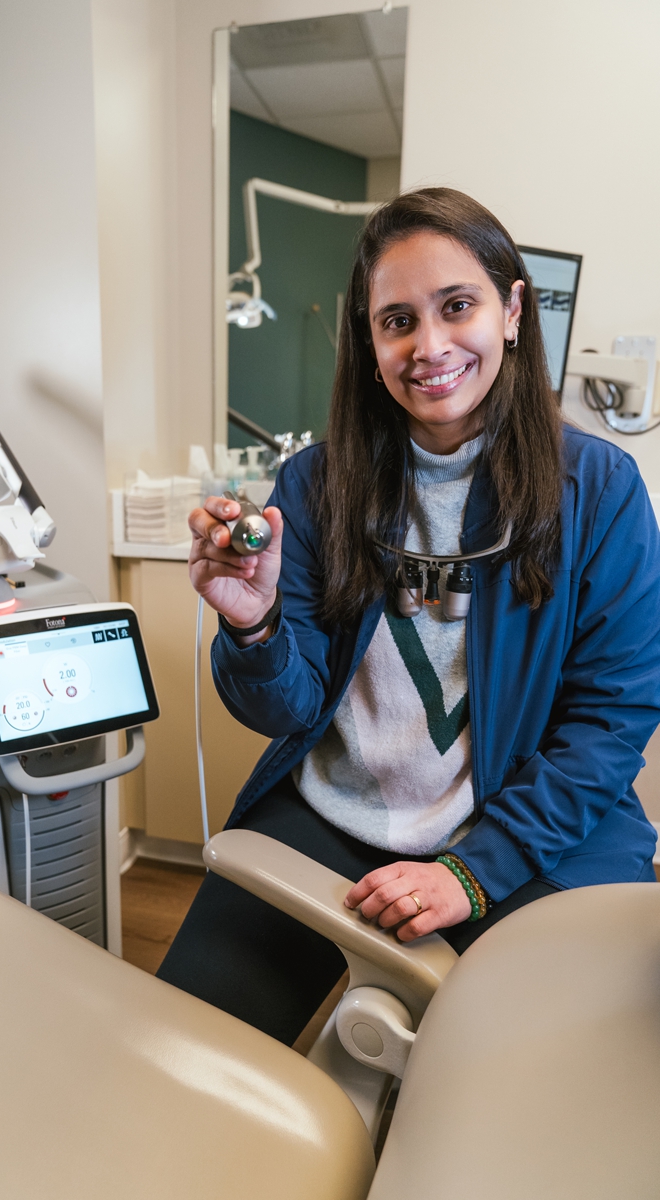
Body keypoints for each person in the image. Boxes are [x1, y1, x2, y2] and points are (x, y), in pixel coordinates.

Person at [157, 187, 660, 1046]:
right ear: (370, 343)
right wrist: (254, 625)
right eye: (397, 321)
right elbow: (284, 708)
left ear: (512, 311)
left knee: (528, 1085)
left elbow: (610, 723)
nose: (428, 347)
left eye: (457, 306)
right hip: (334, 813)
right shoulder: (317, 485)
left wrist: (472, 872)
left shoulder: (600, 490)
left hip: (519, 828)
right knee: (185, 1052)